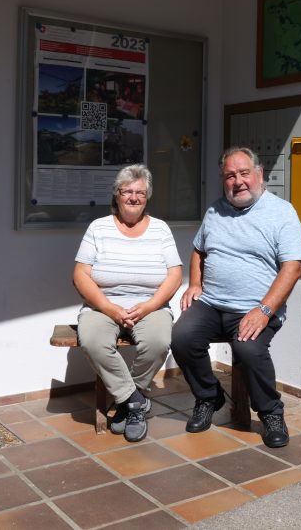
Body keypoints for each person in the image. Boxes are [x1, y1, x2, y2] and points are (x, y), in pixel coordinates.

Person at [170, 147, 301, 448]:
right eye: (230, 176)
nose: (238, 181)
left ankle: (271, 413)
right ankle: (209, 397)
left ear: (259, 174)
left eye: (244, 173)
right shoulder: (214, 211)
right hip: (212, 303)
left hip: (255, 307)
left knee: (248, 349)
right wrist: (195, 284)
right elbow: (198, 250)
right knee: (181, 337)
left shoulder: (282, 213)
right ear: (223, 180)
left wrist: (264, 310)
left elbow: (293, 268)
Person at [72, 164, 182, 441]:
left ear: (147, 197)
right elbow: (80, 274)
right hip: (103, 305)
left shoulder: (160, 229)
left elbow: (174, 275)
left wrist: (149, 306)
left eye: (140, 193)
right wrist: (109, 308)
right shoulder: (98, 227)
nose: (134, 197)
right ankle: (134, 401)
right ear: (117, 194)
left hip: (150, 305)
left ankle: (126, 401)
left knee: (158, 342)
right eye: (127, 191)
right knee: (92, 341)